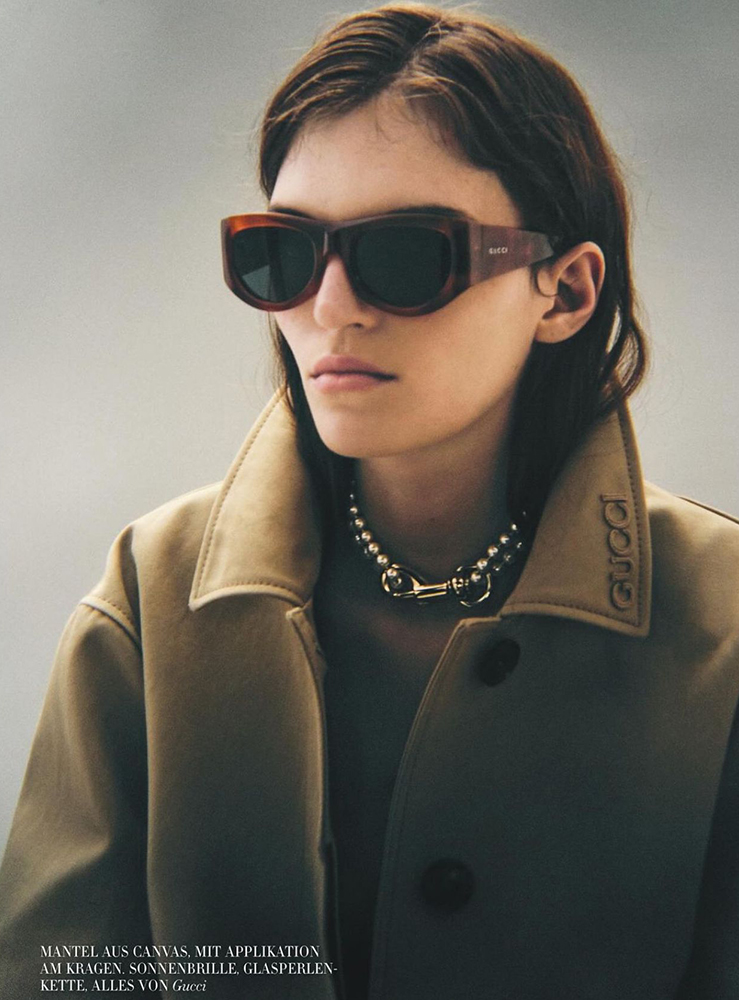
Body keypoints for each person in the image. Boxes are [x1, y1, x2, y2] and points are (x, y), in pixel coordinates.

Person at [1, 3, 738, 998]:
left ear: (564, 292)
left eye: (405, 253)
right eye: (283, 251)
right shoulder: (151, 599)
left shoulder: (724, 621)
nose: (330, 306)